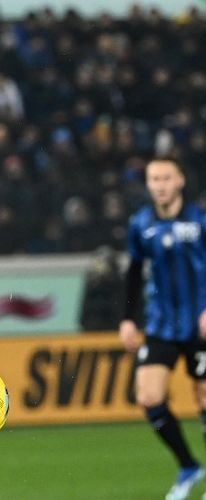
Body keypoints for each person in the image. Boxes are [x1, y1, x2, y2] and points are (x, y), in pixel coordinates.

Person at [119, 157, 206, 500]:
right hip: (160, 325)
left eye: (166, 177)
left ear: (180, 181)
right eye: (154, 178)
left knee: (203, 395)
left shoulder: (200, 220)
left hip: (200, 326)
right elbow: (133, 272)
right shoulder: (141, 223)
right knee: (149, 396)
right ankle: (189, 466)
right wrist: (128, 318)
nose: (159, 184)